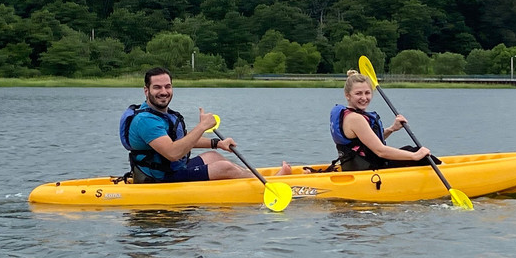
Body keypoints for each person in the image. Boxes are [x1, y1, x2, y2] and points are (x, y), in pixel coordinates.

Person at [124, 67, 291, 183]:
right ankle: (269, 184)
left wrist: (217, 143)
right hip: (159, 179)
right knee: (224, 167)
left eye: (167, 86)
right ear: (146, 91)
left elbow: (184, 141)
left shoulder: (162, 115)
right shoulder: (146, 121)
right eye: (157, 87)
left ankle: (262, 180)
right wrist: (202, 126)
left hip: (170, 170)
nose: (164, 92)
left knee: (213, 156)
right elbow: (173, 153)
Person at [329, 69, 431, 170]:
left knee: (410, 149)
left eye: (367, 93)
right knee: (417, 154)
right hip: (370, 169)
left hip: (362, 164)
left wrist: (391, 129)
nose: (364, 98)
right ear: (347, 95)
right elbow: (380, 151)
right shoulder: (355, 119)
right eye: (358, 93)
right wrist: (415, 156)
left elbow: (366, 142)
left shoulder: (349, 115)